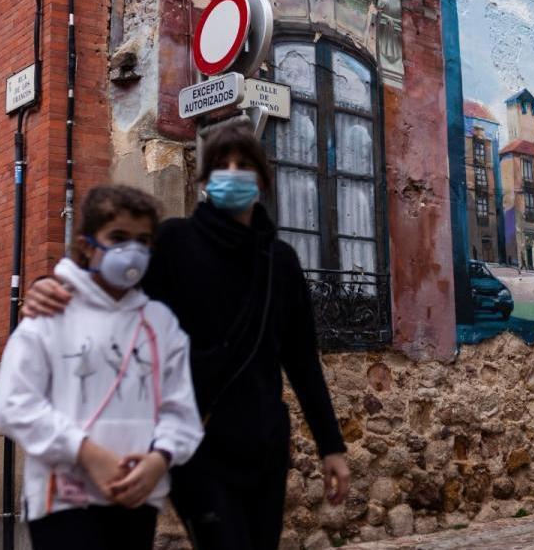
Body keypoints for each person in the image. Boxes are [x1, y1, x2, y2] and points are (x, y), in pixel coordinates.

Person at [23, 124, 350, 549]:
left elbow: (303, 362)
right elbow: (114, 293)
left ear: (263, 181)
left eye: (244, 166)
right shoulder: (175, 242)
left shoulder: (281, 261)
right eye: (221, 165)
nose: (232, 173)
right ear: (205, 180)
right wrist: (56, 287)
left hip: (265, 445)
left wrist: (331, 447)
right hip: (198, 445)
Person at [0, 185, 204, 550]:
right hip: (62, 499)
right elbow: (14, 403)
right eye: (118, 237)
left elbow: (181, 409)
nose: (132, 250)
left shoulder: (161, 323)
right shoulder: (51, 312)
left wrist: (160, 458)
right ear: (88, 245)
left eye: (143, 240)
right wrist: (87, 452)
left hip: (136, 495)